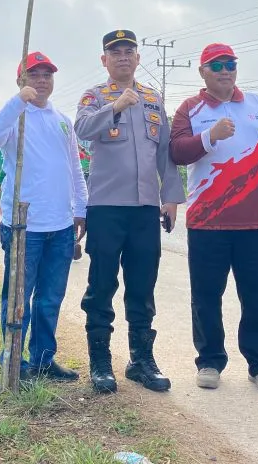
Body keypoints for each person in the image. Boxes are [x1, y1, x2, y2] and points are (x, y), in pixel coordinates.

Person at [169, 43, 258, 393]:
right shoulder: (190, 109)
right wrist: (209, 136)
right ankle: (209, 360)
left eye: (230, 64)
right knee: (206, 296)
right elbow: (177, 152)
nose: (225, 70)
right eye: (216, 65)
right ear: (202, 72)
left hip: (255, 223)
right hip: (206, 223)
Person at [75, 29, 185, 394]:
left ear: (138, 59)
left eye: (129, 51)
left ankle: (140, 360)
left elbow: (165, 152)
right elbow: (82, 129)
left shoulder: (153, 99)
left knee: (142, 285)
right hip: (106, 207)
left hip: (144, 209)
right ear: (104, 60)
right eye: (115, 52)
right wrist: (115, 107)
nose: (123, 57)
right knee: (102, 283)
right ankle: (101, 362)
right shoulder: (95, 96)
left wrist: (170, 197)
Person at [0, 51, 88, 381]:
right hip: (23, 226)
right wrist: (17, 103)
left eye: (47, 75)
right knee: (17, 298)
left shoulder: (62, 120)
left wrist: (81, 208)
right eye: (34, 74)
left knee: (50, 298)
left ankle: (43, 359)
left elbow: (74, 168)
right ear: (21, 80)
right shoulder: (15, 116)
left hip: (60, 226)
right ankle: (14, 361)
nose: (42, 80)